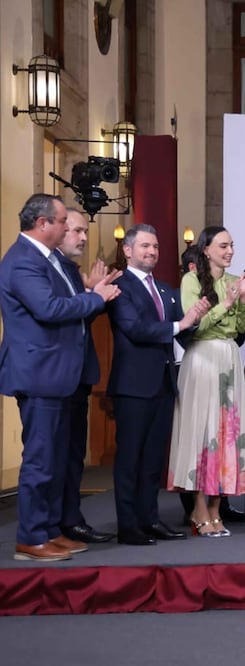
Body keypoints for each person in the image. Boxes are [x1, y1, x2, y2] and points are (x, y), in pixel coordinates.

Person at [0, 194, 119, 561]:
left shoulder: (49, 260)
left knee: (55, 460)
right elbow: (49, 309)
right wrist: (96, 297)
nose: (69, 227)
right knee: (40, 460)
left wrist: (90, 295)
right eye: (63, 221)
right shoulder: (23, 260)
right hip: (40, 375)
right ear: (43, 223)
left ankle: (50, 530)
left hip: (58, 375)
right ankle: (31, 537)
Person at [107, 224, 209, 545]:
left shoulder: (165, 289)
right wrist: (181, 323)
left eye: (156, 246)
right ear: (128, 251)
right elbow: (135, 328)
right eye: (145, 246)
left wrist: (199, 318)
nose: (152, 251)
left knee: (153, 460)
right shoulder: (119, 286)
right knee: (130, 460)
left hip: (164, 384)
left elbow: (182, 331)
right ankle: (128, 526)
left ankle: (150, 519)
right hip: (133, 386)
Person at [167, 226, 245, 537]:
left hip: (229, 357)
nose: (229, 251)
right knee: (201, 431)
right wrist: (226, 304)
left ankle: (217, 508)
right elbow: (197, 326)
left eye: (231, 245)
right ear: (206, 249)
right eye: (223, 246)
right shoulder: (191, 280)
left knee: (227, 432)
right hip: (202, 358)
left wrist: (242, 298)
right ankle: (198, 508)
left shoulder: (233, 281)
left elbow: (241, 327)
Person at [57, 208, 115, 544]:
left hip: (77, 375)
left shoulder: (70, 270)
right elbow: (57, 314)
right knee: (55, 456)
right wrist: (92, 296)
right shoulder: (50, 268)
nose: (83, 237)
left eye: (85, 232)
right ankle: (52, 525)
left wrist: (93, 295)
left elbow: (78, 320)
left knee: (73, 454)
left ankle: (70, 519)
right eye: (76, 231)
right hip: (55, 375)